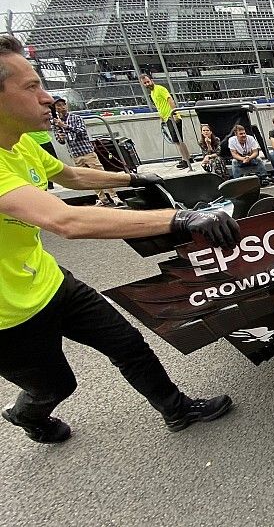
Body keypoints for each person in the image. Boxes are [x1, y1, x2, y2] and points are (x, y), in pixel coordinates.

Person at [0, 34, 239, 444]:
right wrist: (180, 219)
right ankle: (27, 414)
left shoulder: (19, 145)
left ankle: (176, 410)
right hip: (7, 316)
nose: (47, 98)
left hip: (49, 281)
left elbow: (71, 176)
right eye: (32, 86)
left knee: (127, 343)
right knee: (57, 386)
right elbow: (66, 221)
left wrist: (133, 177)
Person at [52, 96, 122, 206]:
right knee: (89, 178)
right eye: (58, 106)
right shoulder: (56, 123)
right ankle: (102, 198)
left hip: (87, 151)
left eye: (63, 104)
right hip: (75, 153)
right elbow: (60, 141)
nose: (62, 108)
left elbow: (81, 132)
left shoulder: (76, 118)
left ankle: (114, 196)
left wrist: (64, 126)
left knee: (101, 174)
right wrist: (61, 136)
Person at [139, 74, 191, 169]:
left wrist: (174, 114)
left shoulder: (160, 89)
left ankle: (186, 159)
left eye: (148, 81)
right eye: (145, 83)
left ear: (152, 80)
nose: (147, 84)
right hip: (167, 118)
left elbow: (170, 99)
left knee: (178, 140)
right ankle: (187, 158)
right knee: (177, 141)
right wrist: (162, 117)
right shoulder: (152, 93)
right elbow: (160, 106)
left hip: (172, 117)